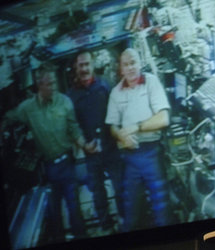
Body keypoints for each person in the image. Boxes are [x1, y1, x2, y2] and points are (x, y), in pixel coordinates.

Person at [2, 64, 91, 242]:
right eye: (49, 83)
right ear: (39, 85)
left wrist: (85, 145)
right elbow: (8, 118)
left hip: (67, 164)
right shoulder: (27, 108)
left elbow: (74, 129)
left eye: (55, 83)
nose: (54, 87)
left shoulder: (65, 102)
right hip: (49, 168)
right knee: (54, 211)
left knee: (74, 207)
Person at [105, 48, 171, 231]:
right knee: (131, 210)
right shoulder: (116, 93)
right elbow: (112, 126)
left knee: (161, 209)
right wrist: (120, 136)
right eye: (126, 65)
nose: (130, 67)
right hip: (130, 155)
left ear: (140, 63)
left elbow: (164, 118)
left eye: (133, 62)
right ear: (121, 70)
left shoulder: (151, 82)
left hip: (151, 152)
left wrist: (136, 127)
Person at [67, 50, 123, 234]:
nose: (84, 68)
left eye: (86, 64)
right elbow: (72, 124)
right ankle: (106, 227)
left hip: (111, 149)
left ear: (92, 65)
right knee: (98, 193)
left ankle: (124, 221)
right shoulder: (71, 96)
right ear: (76, 67)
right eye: (80, 65)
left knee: (119, 185)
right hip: (90, 153)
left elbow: (116, 112)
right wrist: (83, 144)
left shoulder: (105, 85)